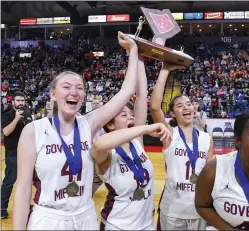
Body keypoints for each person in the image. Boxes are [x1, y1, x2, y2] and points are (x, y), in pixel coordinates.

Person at [13, 31, 139, 230]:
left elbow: (126, 91)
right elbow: (22, 188)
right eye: (66, 87)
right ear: (53, 95)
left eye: (79, 88)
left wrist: (133, 51)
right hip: (48, 217)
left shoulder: (88, 124)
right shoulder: (34, 130)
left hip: (85, 216)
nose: (74, 92)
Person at [91, 55, 171, 230]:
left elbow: (142, 96)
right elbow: (98, 145)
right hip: (117, 226)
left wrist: (138, 56)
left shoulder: (136, 142)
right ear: (110, 124)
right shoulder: (106, 151)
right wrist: (144, 128)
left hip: (146, 224)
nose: (131, 117)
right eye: (124, 115)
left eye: (131, 114)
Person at [150, 63, 214, 230]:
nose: (186, 107)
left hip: (198, 209)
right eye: (179, 106)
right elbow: (155, 107)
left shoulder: (207, 139)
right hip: (173, 209)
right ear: (172, 113)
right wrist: (165, 70)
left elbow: (210, 175)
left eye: (188, 104)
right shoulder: (170, 134)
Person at [1, 91, 32, 219]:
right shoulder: (6, 115)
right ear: (13, 102)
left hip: (28, 153)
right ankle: (2, 208)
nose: (21, 103)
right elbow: (6, 132)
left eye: (22, 101)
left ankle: (25, 206)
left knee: (27, 181)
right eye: (18, 101)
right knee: (9, 181)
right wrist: (16, 119)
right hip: (13, 154)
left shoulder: (28, 113)